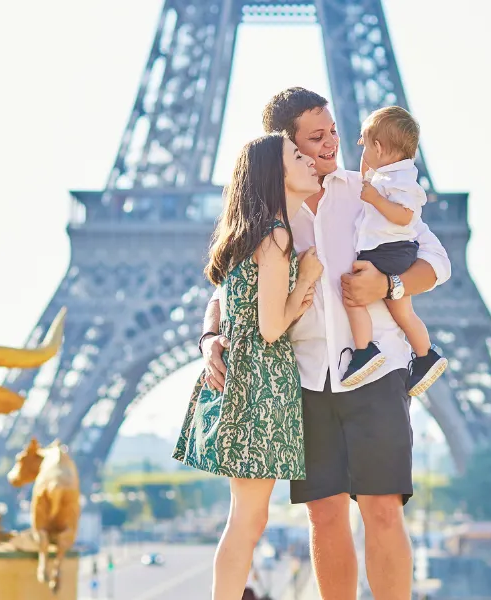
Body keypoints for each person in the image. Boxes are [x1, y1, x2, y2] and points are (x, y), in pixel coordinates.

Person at [199, 88, 452, 600]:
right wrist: (209, 336)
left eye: (334, 130)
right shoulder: (270, 214)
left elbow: (438, 262)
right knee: (325, 512)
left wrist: (388, 287)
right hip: (304, 378)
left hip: (376, 368)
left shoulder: (368, 191)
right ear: (286, 146)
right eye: (316, 137)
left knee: (382, 508)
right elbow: (228, 287)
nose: (333, 142)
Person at [173, 133, 325, 600]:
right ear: (274, 175)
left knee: (247, 516)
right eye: (296, 155)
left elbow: (234, 306)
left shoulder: (249, 233)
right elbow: (272, 327)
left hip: (242, 379)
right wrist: (308, 281)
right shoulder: (277, 234)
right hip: (263, 383)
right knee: (247, 519)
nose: (308, 159)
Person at [341, 105, 447, 396]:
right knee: (404, 313)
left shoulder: (399, 182)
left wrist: (374, 199)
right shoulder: (388, 175)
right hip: (393, 252)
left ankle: (364, 351)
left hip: (386, 252)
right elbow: (367, 175)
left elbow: (405, 216)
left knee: (353, 297)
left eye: (367, 144)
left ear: (378, 146)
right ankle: (425, 356)